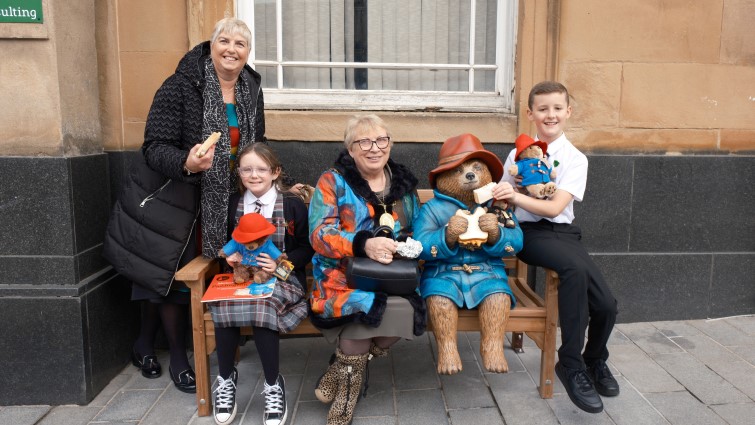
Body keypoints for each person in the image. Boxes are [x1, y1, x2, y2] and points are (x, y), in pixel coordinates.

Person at [104, 18, 272, 396]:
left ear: (248, 53)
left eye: (240, 44)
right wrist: (188, 162)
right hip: (174, 196)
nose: (232, 49)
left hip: (225, 198)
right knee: (171, 278)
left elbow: (256, 142)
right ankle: (179, 356)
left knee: (169, 276)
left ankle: (144, 345)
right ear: (211, 46)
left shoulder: (251, 89)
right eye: (224, 41)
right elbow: (154, 146)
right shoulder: (180, 85)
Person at [493, 81, 619, 413]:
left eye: (557, 108)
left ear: (568, 112)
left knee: (607, 304)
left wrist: (516, 194)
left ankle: (594, 359)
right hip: (530, 234)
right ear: (530, 113)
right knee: (573, 269)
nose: (550, 115)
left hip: (563, 232)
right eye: (543, 109)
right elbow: (505, 200)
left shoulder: (575, 159)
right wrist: (509, 193)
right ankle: (570, 363)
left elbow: (553, 208)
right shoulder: (517, 153)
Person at [308, 114, 426, 425]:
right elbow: (319, 235)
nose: (374, 148)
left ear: (390, 143)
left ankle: (344, 367)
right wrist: (363, 243)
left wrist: (407, 245)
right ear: (350, 149)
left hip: (394, 272)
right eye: (364, 142)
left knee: (414, 303)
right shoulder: (332, 181)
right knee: (360, 303)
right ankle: (347, 394)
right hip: (342, 271)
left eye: (381, 140)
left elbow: (419, 228)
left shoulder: (403, 182)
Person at [208, 143, 313, 425]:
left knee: (262, 304)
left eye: (261, 169)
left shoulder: (291, 205)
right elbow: (225, 246)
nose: (254, 175)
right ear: (239, 173)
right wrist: (229, 258)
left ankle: (272, 385)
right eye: (247, 169)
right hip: (244, 275)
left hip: (284, 278)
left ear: (275, 172)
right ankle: (225, 379)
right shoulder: (234, 204)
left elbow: (307, 250)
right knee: (225, 301)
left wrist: (281, 265)